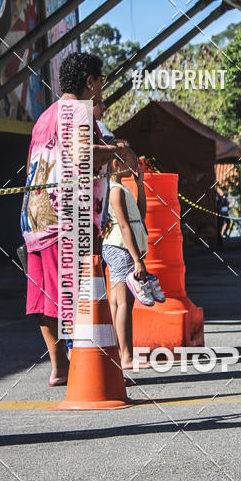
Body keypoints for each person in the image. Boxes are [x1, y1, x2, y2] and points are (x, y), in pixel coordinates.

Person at [21, 52, 129, 387]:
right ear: (90, 81)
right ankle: (90, 373)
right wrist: (118, 151)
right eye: (100, 80)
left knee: (46, 300)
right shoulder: (77, 111)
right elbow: (82, 155)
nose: (101, 87)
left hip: (36, 221)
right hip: (67, 222)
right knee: (81, 297)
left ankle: (61, 367)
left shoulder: (45, 116)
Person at [102, 147, 164, 370]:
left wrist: (140, 185)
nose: (135, 165)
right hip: (121, 248)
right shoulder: (115, 191)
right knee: (124, 302)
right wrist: (137, 259)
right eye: (130, 160)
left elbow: (139, 214)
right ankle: (126, 355)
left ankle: (119, 352)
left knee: (118, 302)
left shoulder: (121, 188)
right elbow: (124, 225)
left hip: (121, 247)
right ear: (116, 164)